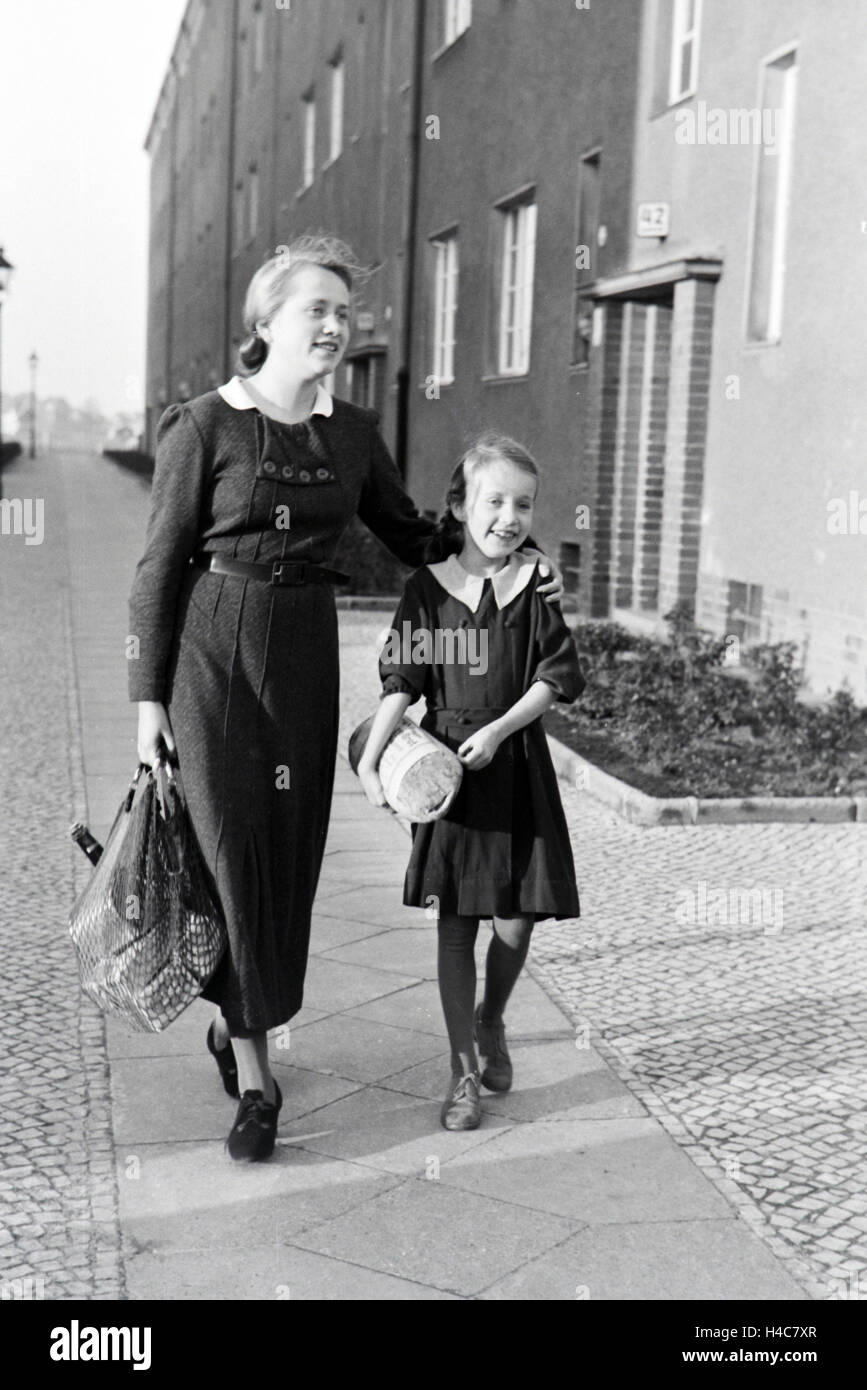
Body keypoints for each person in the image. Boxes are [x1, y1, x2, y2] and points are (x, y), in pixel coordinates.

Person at [128, 236, 565, 1161]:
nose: (334, 326)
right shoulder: (203, 426)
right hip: (211, 657)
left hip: (304, 658)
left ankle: (232, 1020)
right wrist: (146, 703)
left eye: (343, 312)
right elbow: (158, 569)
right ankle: (257, 1083)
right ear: (265, 322)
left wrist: (512, 552)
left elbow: (412, 535)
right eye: (315, 310)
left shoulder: (352, 436)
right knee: (231, 858)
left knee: (286, 865)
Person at [357, 432, 584, 1131]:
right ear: (459, 505)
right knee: (456, 923)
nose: (508, 517)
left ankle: (491, 1020)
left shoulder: (532, 587)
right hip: (449, 774)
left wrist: (502, 728)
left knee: (516, 919)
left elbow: (557, 676)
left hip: (514, 765)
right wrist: (370, 753)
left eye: (523, 504)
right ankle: (462, 1077)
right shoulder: (429, 591)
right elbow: (406, 679)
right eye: (493, 501)